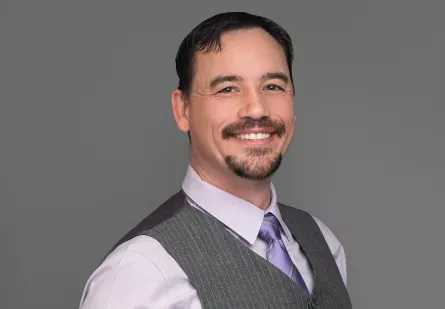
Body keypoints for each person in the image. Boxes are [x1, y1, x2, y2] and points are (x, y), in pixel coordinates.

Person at [79, 12, 352, 309]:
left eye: (273, 86)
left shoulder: (324, 243)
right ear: (182, 110)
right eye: (227, 89)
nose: (257, 109)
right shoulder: (142, 274)